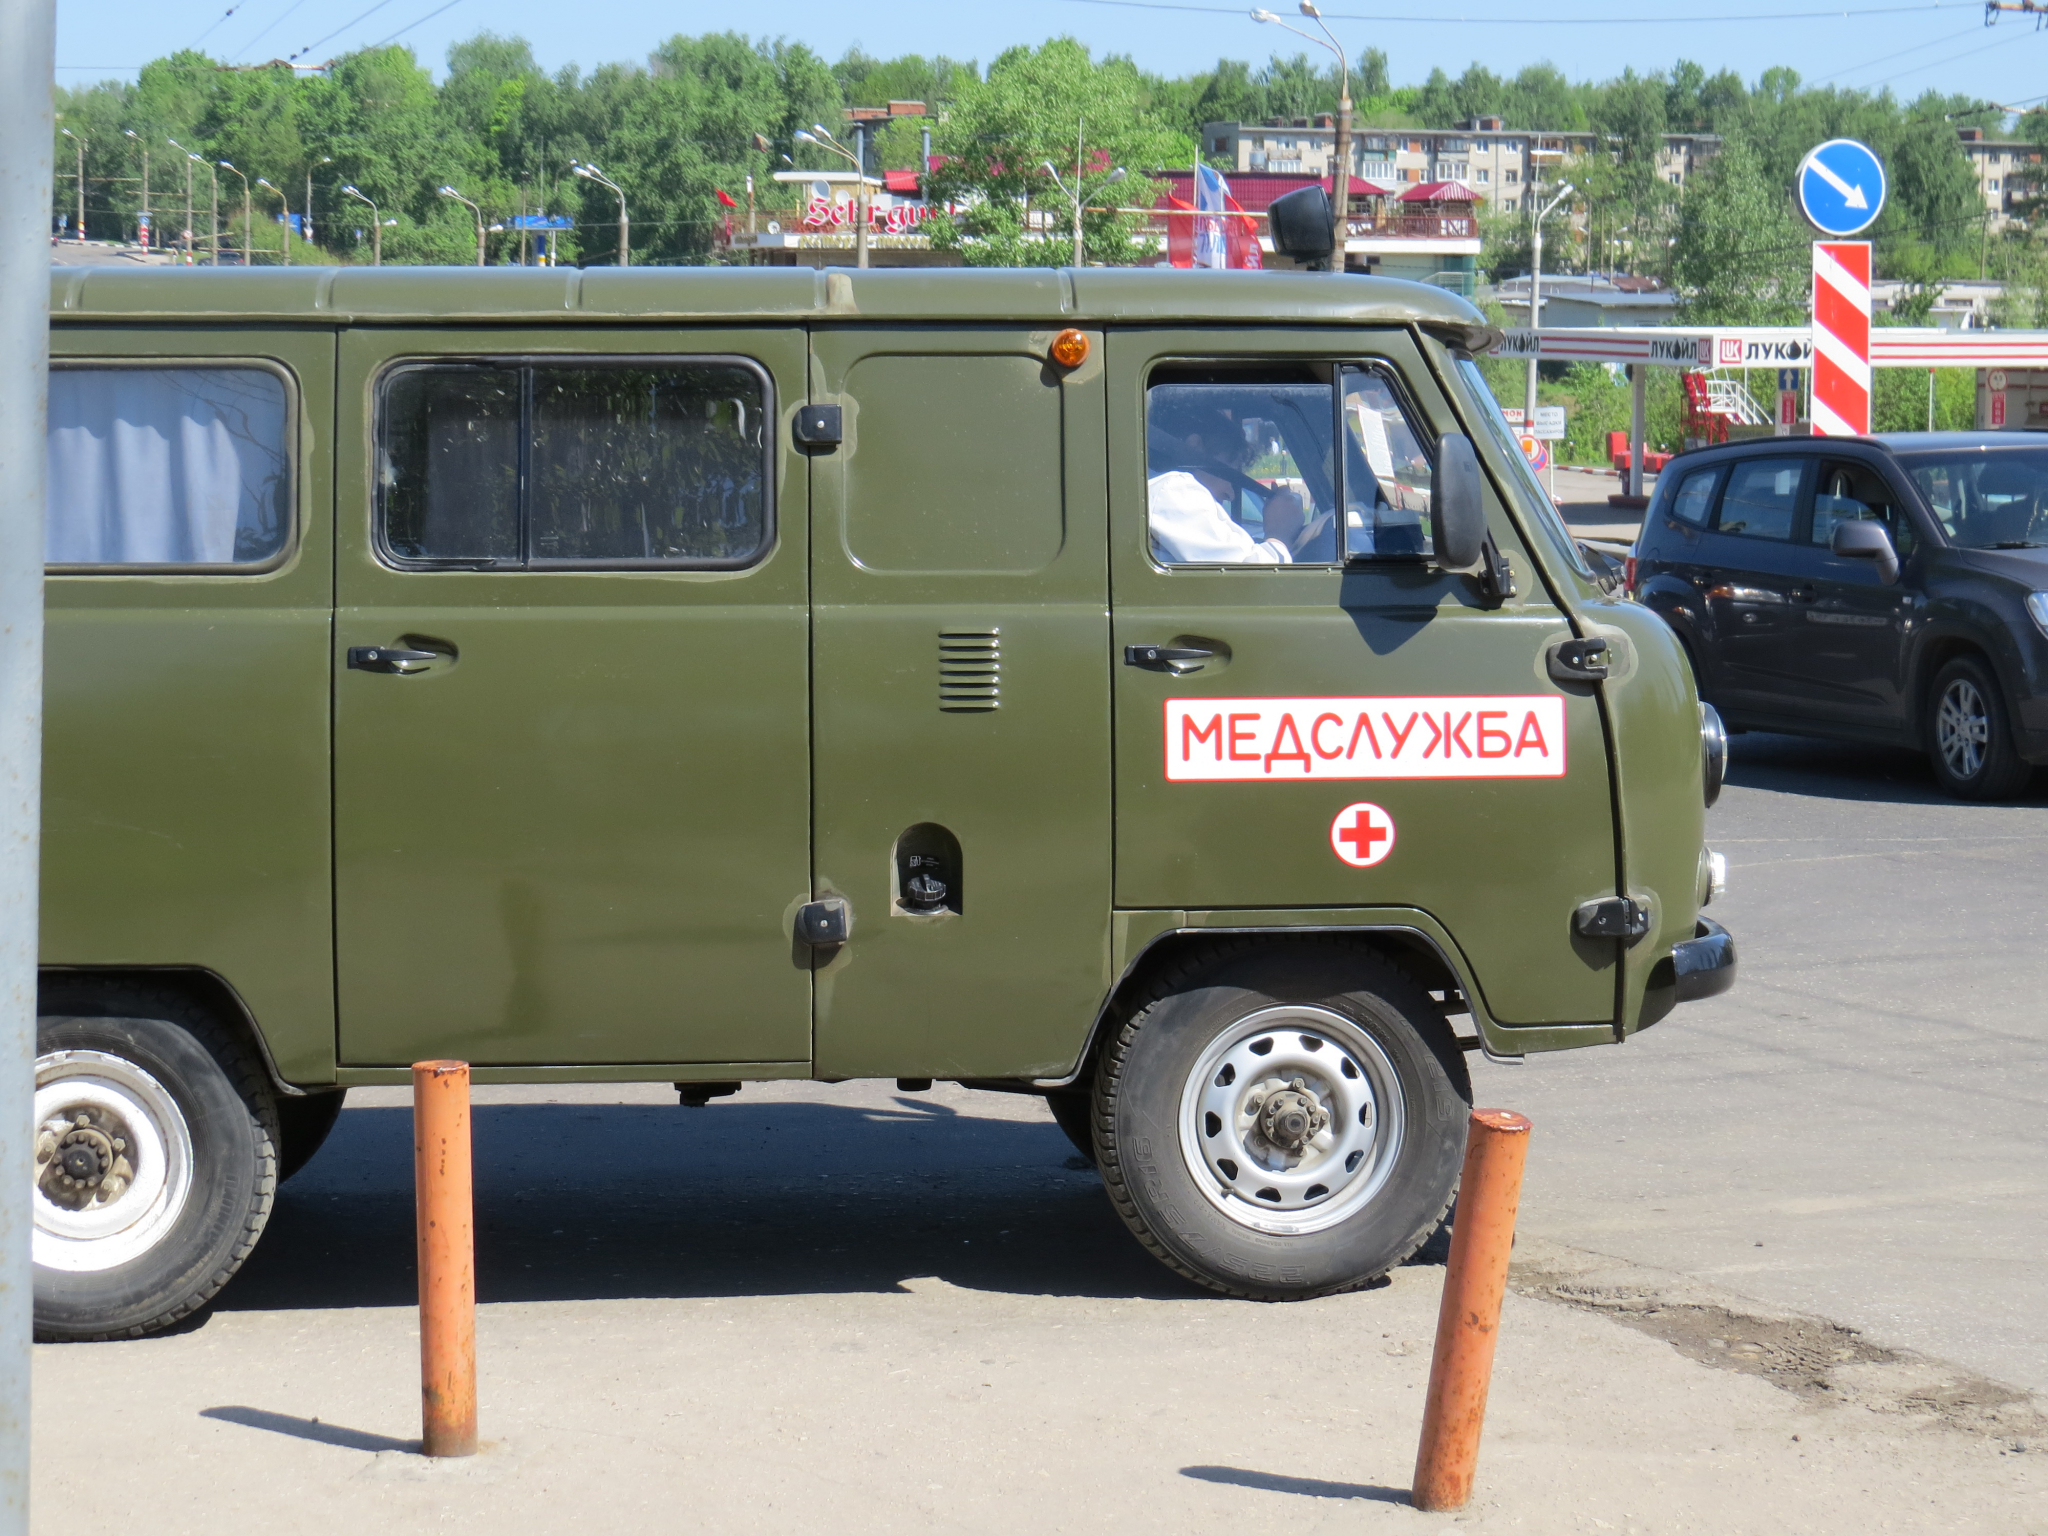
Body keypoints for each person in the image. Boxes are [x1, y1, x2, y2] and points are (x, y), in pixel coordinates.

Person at [1147, 395, 1305, 564]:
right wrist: (1279, 535)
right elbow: (1250, 578)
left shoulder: (1158, 489)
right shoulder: (1173, 490)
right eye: (1229, 473)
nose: (1231, 494)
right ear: (1194, 448)